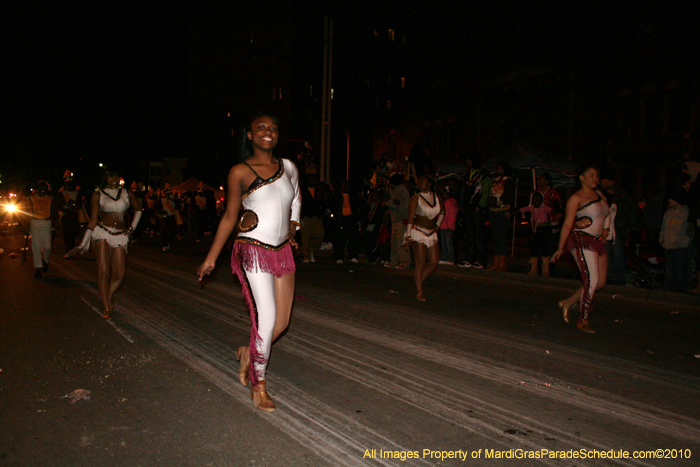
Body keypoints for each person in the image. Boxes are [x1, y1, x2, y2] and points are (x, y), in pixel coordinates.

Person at [197, 111, 300, 413]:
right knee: (266, 318)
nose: (268, 131)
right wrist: (211, 258)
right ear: (250, 135)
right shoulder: (239, 171)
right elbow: (230, 216)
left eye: (273, 128)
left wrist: (294, 227)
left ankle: (248, 353)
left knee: (281, 322)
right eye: (261, 128)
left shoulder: (289, 167)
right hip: (252, 248)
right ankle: (259, 384)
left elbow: (295, 200)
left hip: (282, 250)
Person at [551, 164, 610, 334]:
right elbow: (568, 223)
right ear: (581, 178)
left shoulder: (599, 194)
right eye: (591, 175)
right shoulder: (576, 197)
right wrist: (560, 247)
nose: (595, 178)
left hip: (596, 241)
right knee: (592, 280)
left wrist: (606, 229)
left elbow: (608, 213)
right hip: (582, 240)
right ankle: (583, 320)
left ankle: (567, 302)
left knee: (600, 282)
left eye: (596, 175)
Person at [76, 168, 142, 318]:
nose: (114, 179)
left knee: (119, 274)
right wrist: (83, 243)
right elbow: (93, 220)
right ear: (105, 178)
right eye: (110, 176)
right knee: (104, 272)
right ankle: (106, 307)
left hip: (120, 235)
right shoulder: (97, 194)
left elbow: (138, 209)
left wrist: (132, 228)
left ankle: (109, 294)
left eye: (116, 176)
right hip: (102, 232)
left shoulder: (126, 193)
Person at [405, 174, 444, 301]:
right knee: (420, 262)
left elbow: (442, 212)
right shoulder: (415, 198)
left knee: (434, 262)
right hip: (418, 231)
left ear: (429, 183)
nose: (419, 182)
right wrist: (408, 235)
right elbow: (410, 218)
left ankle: (418, 282)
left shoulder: (436, 197)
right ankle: (419, 292)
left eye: (422, 180)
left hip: (431, 233)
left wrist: (437, 226)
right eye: (419, 180)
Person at [599, 169, 637, 286]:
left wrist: (633, 229)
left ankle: (618, 280)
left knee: (617, 256)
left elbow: (631, 211)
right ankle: (612, 279)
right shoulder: (600, 193)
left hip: (617, 229)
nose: (602, 182)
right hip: (606, 229)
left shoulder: (620, 193)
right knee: (609, 256)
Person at [457, 155, 490, 269]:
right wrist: (462, 205)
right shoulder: (467, 175)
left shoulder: (483, 174)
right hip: (467, 209)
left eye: (470, 159)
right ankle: (469, 258)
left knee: (478, 235)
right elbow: (463, 191)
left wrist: (480, 206)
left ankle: (479, 260)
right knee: (468, 234)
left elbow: (486, 191)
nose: (467, 162)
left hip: (477, 209)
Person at [660, 188, 693, 293]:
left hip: (680, 248)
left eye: (672, 198)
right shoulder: (668, 213)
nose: (670, 200)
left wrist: (679, 243)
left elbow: (688, 233)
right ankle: (669, 291)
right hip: (668, 247)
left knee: (680, 271)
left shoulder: (687, 214)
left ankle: (680, 292)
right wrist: (662, 240)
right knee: (669, 270)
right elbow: (663, 228)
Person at [486, 161, 516, 271]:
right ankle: (496, 262)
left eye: (500, 168)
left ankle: (502, 263)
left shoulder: (509, 181)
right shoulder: (495, 181)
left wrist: (497, 201)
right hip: (493, 211)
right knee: (496, 237)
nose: (498, 170)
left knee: (502, 237)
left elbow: (508, 197)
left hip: (502, 211)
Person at [27, 180, 59, 278]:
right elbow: (26, 211)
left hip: (47, 222)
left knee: (47, 247)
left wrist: (54, 225)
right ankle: (37, 267)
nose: (42, 190)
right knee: (36, 246)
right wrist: (26, 225)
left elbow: (55, 212)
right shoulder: (30, 198)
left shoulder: (51, 199)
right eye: (40, 188)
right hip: (35, 222)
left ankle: (45, 260)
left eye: (43, 188)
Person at [519, 192, 553, 276]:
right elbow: (521, 209)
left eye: (538, 199)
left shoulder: (544, 207)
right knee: (534, 248)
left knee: (544, 249)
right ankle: (534, 269)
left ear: (542, 200)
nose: (537, 201)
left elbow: (552, 210)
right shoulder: (531, 208)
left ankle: (545, 270)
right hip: (535, 230)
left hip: (545, 230)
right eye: (535, 199)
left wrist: (558, 213)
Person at [535, 173, 563, 274]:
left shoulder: (552, 193)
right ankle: (538, 267)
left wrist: (558, 212)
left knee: (549, 246)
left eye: (540, 179)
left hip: (551, 223)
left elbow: (556, 205)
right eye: (537, 179)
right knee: (539, 246)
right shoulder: (536, 192)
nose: (538, 181)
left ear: (547, 181)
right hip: (539, 223)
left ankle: (550, 268)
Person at [385, 173, 411, 269]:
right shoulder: (397, 190)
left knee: (401, 242)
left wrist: (386, 203)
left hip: (401, 219)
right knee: (395, 242)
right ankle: (394, 261)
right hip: (396, 219)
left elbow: (396, 203)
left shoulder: (400, 191)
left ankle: (404, 261)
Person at [57, 170, 85, 257]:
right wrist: (61, 209)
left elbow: (80, 202)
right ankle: (68, 250)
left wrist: (76, 205)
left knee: (73, 234)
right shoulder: (62, 190)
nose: (68, 180)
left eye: (70, 178)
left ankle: (71, 250)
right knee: (66, 234)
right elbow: (59, 202)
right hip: (66, 215)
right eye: (66, 178)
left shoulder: (77, 189)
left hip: (74, 215)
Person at [300, 183, 324, 263]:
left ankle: (311, 250)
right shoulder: (302, 190)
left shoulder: (318, 190)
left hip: (315, 216)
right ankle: (306, 256)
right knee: (306, 236)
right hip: (306, 216)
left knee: (320, 233)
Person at [438, 182, 458, 265]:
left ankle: (450, 258)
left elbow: (452, 215)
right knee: (444, 243)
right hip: (443, 226)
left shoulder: (451, 202)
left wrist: (450, 225)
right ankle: (444, 257)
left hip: (447, 226)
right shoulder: (445, 202)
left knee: (448, 243)